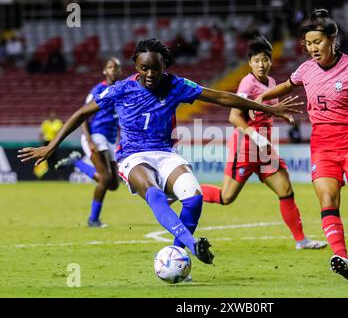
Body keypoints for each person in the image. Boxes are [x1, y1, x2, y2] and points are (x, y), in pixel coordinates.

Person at [18, 38, 301, 266]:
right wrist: (51, 145)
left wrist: (267, 108)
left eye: (156, 68)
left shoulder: (176, 85)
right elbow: (82, 112)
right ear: (136, 65)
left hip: (165, 154)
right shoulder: (121, 89)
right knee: (152, 192)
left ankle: (177, 258)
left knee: (194, 198)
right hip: (132, 157)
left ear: (164, 65)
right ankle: (192, 246)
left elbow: (220, 96)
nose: (150, 74)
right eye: (144, 68)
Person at [256, 10, 348, 281]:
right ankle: (341, 255)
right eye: (308, 43)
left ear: (332, 39)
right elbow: (285, 86)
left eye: (317, 42)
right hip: (322, 144)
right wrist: (258, 100)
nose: (313, 48)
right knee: (328, 199)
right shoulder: (305, 69)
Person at [201, 36, 327, 250]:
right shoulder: (247, 83)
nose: (262, 64)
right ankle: (184, 190)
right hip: (246, 147)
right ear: (250, 62)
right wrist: (255, 135)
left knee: (285, 189)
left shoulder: (271, 83)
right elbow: (234, 116)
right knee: (226, 196)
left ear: (270, 61)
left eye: (266, 60)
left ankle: (301, 240)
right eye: (257, 60)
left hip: (265, 149)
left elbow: (266, 112)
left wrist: (283, 117)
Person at [55, 57, 122, 228]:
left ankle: (76, 161)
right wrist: (90, 140)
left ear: (120, 72)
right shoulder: (98, 89)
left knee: (113, 184)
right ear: (105, 71)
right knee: (105, 178)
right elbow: (83, 115)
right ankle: (93, 219)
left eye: (117, 68)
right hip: (96, 135)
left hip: (111, 139)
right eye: (110, 67)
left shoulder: (122, 90)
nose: (114, 70)